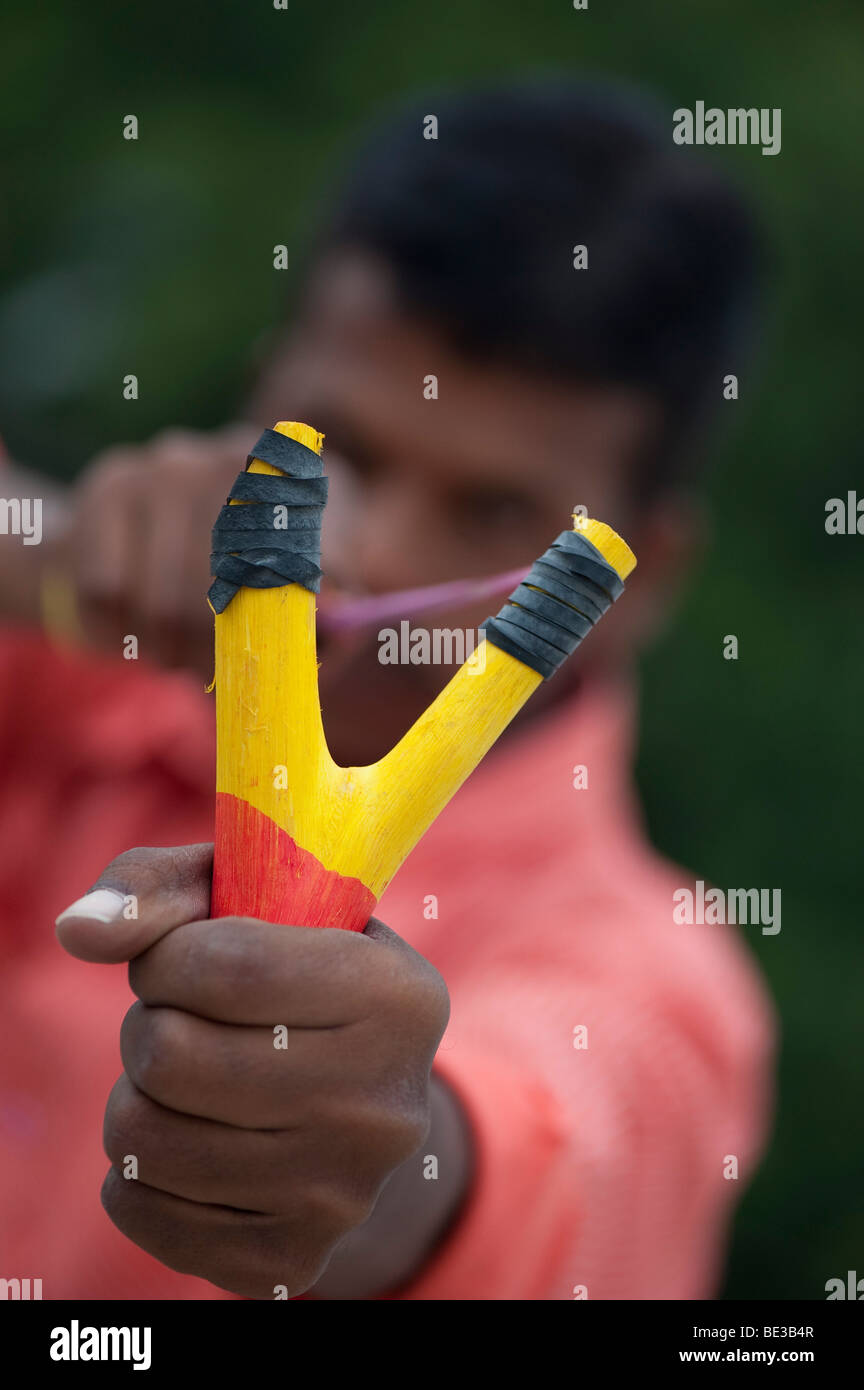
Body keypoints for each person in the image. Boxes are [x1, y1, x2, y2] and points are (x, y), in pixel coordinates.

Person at [0, 79, 775, 1300]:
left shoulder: (656, 982)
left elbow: (538, 1156)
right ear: (260, 391)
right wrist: (52, 551)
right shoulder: (53, 674)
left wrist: (377, 1149)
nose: (385, 557)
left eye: (494, 510)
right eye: (337, 450)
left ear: (648, 573)